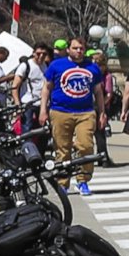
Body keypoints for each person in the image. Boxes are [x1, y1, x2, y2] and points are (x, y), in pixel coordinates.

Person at [42, 37, 101, 188]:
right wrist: (43, 109)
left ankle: (83, 180)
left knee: (86, 146)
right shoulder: (56, 65)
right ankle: (63, 182)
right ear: (68, 49)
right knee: (62, 149)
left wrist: (102, 112)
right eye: (75, 48)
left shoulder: (92, 67)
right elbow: (47, 88)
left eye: (81, 48)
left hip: (86, 112)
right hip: (60, 111)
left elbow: (98, 92)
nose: (79, 51)